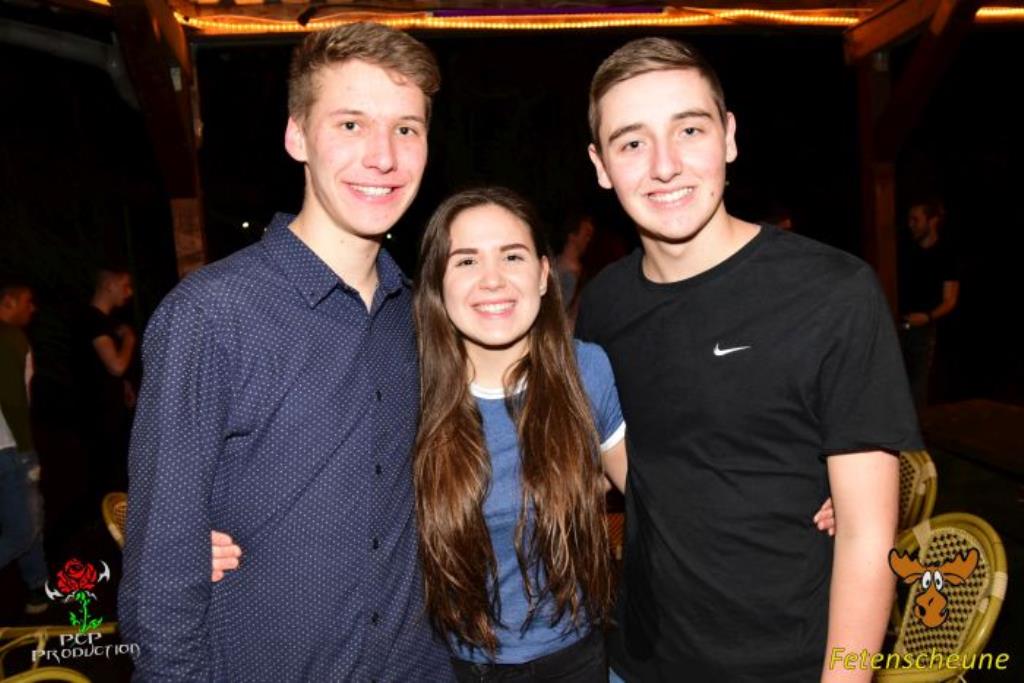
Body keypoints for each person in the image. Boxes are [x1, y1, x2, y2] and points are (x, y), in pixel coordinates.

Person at [577, 38, 920, 681]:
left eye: (689, 129)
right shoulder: (603, 305)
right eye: (632, 142)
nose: (665, 165)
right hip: (639, 661)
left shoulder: (833, 292)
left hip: (789, 664)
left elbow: (870, 537)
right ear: (601, 166)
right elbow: (622, 464)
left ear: (729, 137)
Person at [118, 23, 451, 681]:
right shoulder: (211, 316)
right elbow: (161, 574)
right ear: (297, 136)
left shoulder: (421, 318)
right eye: (351, 124)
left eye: (406, 129)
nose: (383, 156)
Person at [412, 188, 625, 681]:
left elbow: (656, 497)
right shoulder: (409, 390)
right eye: (466, 260)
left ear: (544, 274)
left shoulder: (585, 370)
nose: (493, 279)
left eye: (512, 256)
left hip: (577, 656)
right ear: (437, 283)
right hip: (451, 663)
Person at [0, 281, 48, 614]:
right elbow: (14, 397)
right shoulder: (9, 337)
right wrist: (27, 451)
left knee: (27, 515)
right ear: (8, 301)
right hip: (8, 447)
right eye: (27, 301)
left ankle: (38, 589)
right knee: (24, 530)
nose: (33, 309)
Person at [75, 266, 136, 502]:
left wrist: (123, 385)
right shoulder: (93, 320)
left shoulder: (104, 322)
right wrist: (129, 339)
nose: (129, 292)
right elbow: (116, 365)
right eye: (125, 285)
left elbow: (100, 367)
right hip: (100, 416)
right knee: (110, 482)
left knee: (115, 477)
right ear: (109, 285)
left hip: (107, 413)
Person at [898, 197, 959, 410]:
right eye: (909, 219)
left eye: (915, 219)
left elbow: (950, 299)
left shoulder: (946, 254)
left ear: (932, 221)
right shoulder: (904, 249)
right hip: (895, 324)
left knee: (918, 386)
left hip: (923, 330)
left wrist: (927, 317)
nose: (910, 224)